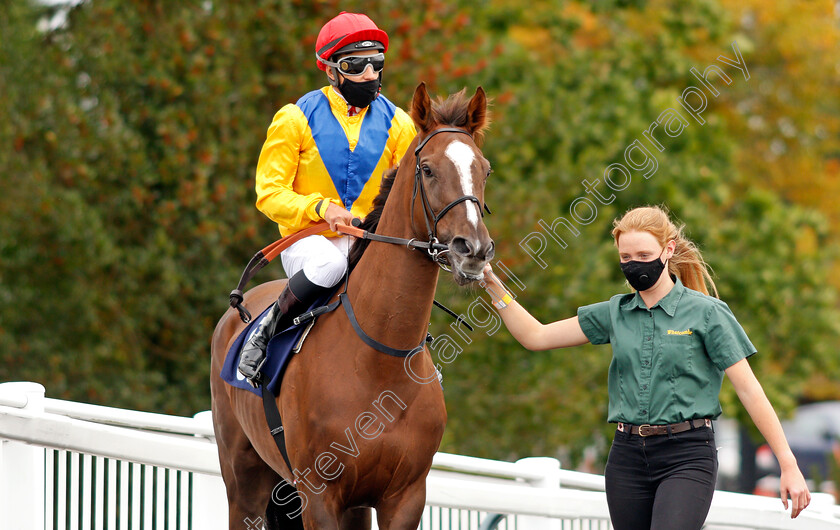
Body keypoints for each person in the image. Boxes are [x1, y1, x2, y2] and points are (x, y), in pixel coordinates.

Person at [482, 205, 811, 529]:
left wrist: (788, 464)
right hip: (627, 457)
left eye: (642, 255)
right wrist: (491, 285)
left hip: (687, 456)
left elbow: (749, 390)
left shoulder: (708, 314)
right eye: (625, 258)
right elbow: (536, 336)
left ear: (667, 250)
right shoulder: (615, 312)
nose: (633, 264)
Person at [238, 12, 416, 386]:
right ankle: (266, 330)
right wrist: (320, 208)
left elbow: (409, 194)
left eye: (377, 63)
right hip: (308, 240)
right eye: (356, 65)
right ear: (331, 70)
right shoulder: (294, 118)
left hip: (369, 239)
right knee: (330, 265)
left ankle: (417, 354)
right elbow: (269, 193)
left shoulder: (400, 125)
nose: (370, 74)